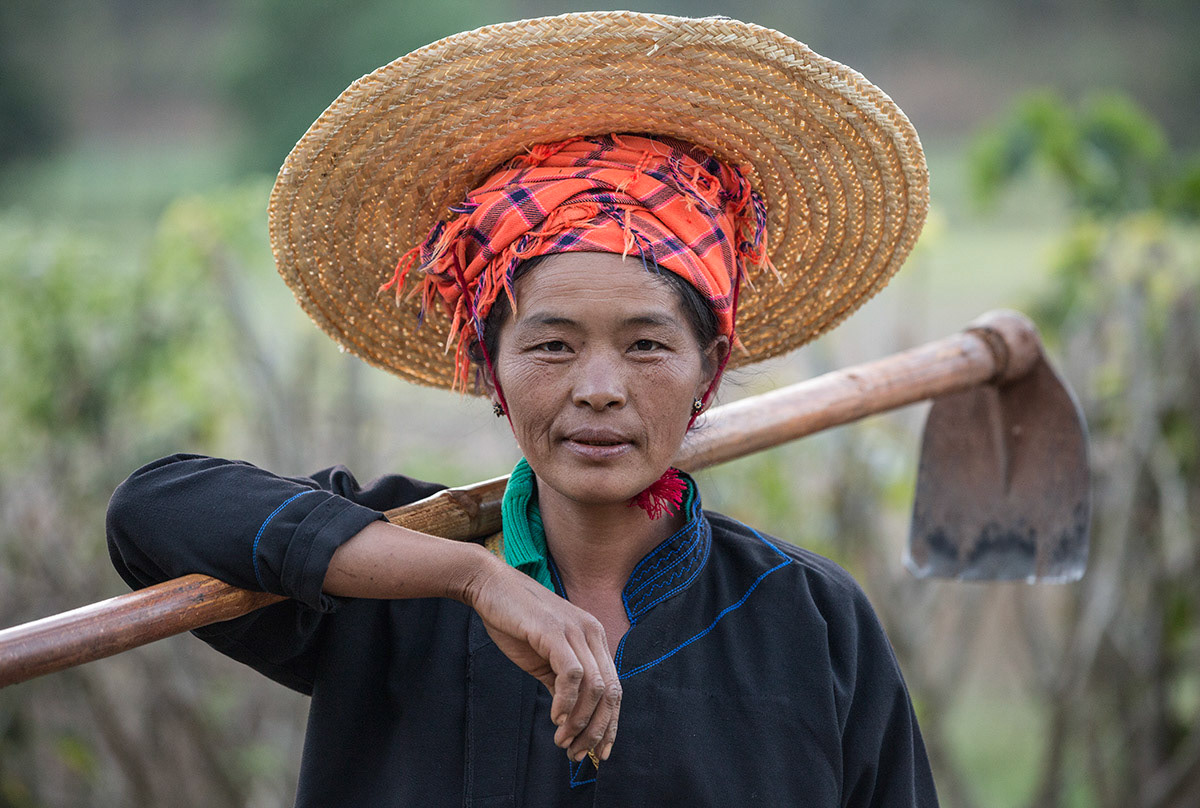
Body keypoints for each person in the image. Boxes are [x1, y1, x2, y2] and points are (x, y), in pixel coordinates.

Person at [107, 11, 937, 807]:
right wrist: (473, 578)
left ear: (707, 371)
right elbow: (150, 512)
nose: (599, 388)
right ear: (489, 372)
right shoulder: (388, 571)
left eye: (647, 345)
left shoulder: (808, 620)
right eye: (552, 346)